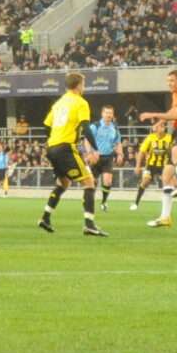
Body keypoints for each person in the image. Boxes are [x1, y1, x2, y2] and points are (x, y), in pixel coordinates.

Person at [35, 72, 105, 238]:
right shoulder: (81, 102)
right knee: (89, 182)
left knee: (64, 183)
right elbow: (86, 127)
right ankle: (89, 224)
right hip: (66, 147)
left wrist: (51, 140)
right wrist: (95, 149)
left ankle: (45, 218)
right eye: (83, 84)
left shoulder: (58, 103)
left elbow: (46, 125)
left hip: (52, 147)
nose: (84, 87)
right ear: (79, 85)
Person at [140, 70, 177, 221]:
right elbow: (173, 111)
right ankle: (165, 217)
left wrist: (154, 115)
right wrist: (161, 121)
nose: (169, 84)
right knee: (166, 176)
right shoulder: (176, 94)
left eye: (172, 81)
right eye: (168, 81)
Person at [130, 124, 173, 211]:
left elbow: (174, 151)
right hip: (151, 165)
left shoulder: (169, 138)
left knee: (172, 183)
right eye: (160, 126)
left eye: (163, 126)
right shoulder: (150, 138)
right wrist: (138, 166)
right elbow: (141, 152)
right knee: (145, 182)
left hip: (164, 165)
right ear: (155, 129)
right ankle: (136, 203)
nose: (162, 127)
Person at [86, 105, 121, 211]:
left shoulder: (114, 128)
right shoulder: (95, 126)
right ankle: (89, 203)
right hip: (95, 157)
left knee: (108, 181)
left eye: (110, 113)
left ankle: (104, 202)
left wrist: (120, 154)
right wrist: (90, 153)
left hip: (108, 157)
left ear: (113, 114)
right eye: (106, 112)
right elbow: (87, 140)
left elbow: (118, 142)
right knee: (93, 182)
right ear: (102, 114)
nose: (108, 115)